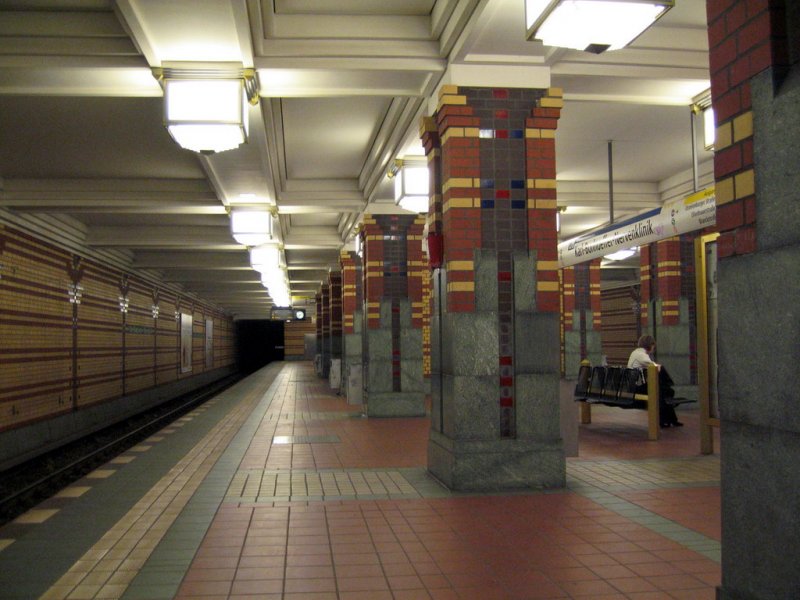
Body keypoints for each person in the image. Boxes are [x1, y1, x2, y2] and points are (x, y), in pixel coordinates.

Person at [627, 335, 682, 428]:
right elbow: (654, 367)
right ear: (650, 345)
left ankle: (669, 420)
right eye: (653, 346)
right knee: (664, 392)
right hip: (636, 388)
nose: (654, 348)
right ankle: (667, 420)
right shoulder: (641, 355)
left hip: (634, 386)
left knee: (665, 391)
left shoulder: (636, 352)